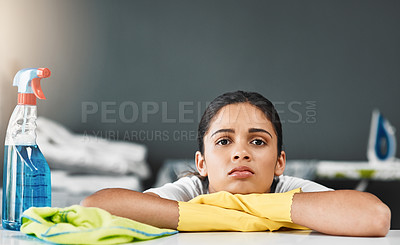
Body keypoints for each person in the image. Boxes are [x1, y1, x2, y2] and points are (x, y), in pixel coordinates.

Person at [82, 91, 391, 237]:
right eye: (223, 141)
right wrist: (225, 211)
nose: (240, 153)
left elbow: (375, 217)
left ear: (279, 162)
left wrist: (243, 207)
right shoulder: (191, 189)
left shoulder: (285, 188)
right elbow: (96, 205)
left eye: (257, 142)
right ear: (201, 163)